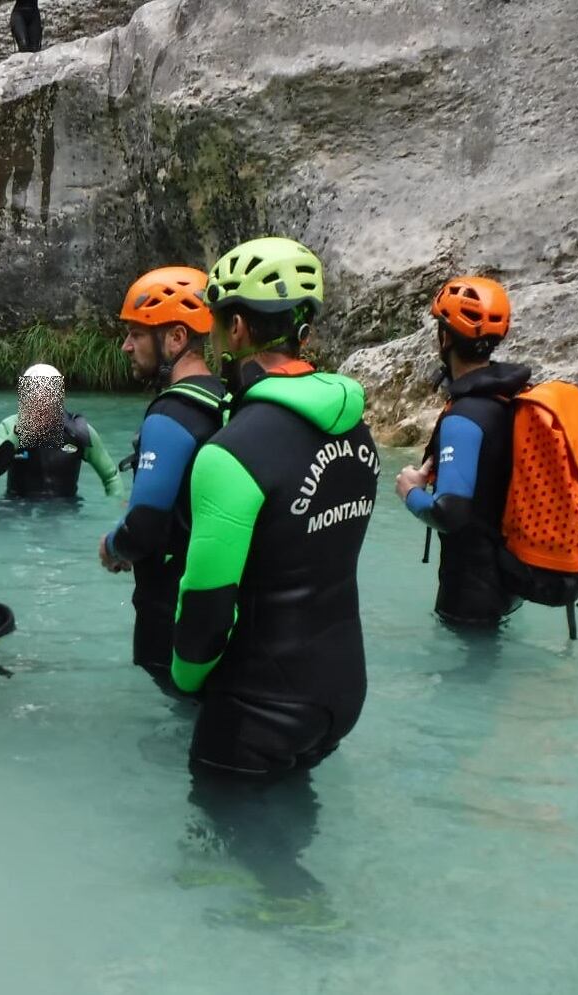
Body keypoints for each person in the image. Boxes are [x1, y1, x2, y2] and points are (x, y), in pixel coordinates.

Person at [170, 237, 380, 778]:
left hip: (259, 701)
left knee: (221, 832)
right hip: (343, 689)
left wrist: (185, 679)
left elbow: (206, 605)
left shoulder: (232, 451)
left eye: (217, 324)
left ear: (238, 328)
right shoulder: (356, 428)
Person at [99, 266, 225, 692]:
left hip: (169, 608)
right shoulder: (225, 399)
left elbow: (143, 528)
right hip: (217, 603)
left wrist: (113, 546)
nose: (126, 346)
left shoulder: (170, 414)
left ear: (176, 337)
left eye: (137, 334)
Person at [395, 276, 530, 627]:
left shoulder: (464, 417)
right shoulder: (509, 396)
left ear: (445, 338)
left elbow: (450, 514)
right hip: (507, 581)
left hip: (469, 595)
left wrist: (410, 493)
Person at [0, 363, 123, 499]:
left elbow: (111, 477)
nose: (41, 404)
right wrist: (18, 435)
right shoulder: (10, 426)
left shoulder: (79, 431)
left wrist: (117, 503)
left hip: (65, 508)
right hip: (16, 505)